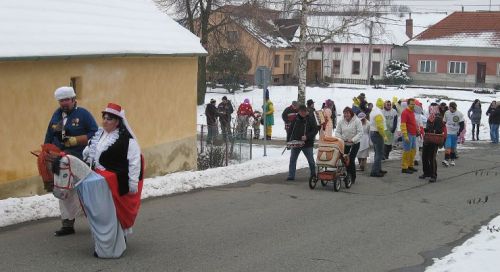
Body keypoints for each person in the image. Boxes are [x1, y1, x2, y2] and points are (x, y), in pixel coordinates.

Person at [82, 102, 142, 258]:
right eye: (104, 118)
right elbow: (91, 151)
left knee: (112, 213)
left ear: (117, 121)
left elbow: (135, 161)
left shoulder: (127, 140)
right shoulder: (99, 134)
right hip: (98, 181)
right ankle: (102, 243)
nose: (105, 121)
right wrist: (87, 151)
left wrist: (133, 182)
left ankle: (117, 242)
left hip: (116, 182)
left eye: (109, 119)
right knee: (100, 213)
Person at [44, 86, 98, 236]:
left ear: (74, 100)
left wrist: (76, 140)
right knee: (63, 190)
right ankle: (67, 224)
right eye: (61, 100)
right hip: (59, 160)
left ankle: (96, 221)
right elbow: (49, 135)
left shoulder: (83, 114)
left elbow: (95, 132)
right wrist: (46, 151)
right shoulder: (56, 115)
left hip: (79, 159)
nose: (64, 103)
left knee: (85, 191)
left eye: (67, 100)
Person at [286, 105, 318, 181]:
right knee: (293, 159)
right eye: (301, 111)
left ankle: (313, 175)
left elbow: (315, 130)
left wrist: (307, 136)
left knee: (310, 160)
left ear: (306, 111)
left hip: (307, 144)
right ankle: (291, 175)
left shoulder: (310, 119)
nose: (303, 113)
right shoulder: (295, 119)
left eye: (304, 111)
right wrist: (288, 141)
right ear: (299, 111)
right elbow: (290, 130)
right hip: (296, 142)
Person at [335, 107, 363, 183]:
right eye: (345, 113)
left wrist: (353, 139)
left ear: (351, 113)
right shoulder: (341, 121)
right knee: (344, 160)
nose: (346, 115)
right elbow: (337, 132)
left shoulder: (357, 121)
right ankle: (347, 175)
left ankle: (352, 177)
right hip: (344, 143)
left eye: (347, 113)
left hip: (354, 143)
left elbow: (360, 132)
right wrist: (342, 138)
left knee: (351, 159)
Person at [420, 105, 446, 183]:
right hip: (427, 139)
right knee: (424, 157)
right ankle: (426, 172)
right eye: (431, 109)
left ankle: (433, 175)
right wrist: (425, 129)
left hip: (434, 141)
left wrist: (431, 131)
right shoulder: (429, 117)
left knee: (431, 158)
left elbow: (439, 130)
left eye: (433, 109)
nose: (432, 110)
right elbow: (428, 128)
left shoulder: (438, 118)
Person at [368, 98, 387, 177]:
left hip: (373, 132)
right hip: (377, 133)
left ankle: (378, 169)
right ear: (382, 104)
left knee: (377, 152)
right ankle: (375, 171)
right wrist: (384, 135)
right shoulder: (378, 113)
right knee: (379, 153)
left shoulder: (373, 111)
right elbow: (379, 126)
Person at [442, 102, 465, 167]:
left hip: (455, 132)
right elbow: (444, 122)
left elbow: (462, 125)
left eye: (451, 108)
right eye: (449, 107)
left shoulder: (459, 114)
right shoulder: (447, 113)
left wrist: (459, 131)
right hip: (448, 132)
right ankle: (446, 160)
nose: (450, 109)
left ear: (454, 108)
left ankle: (452, 160)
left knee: (453, 147)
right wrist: (443, 129)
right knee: (448, 146)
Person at [401, 98, 418, 174]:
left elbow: (413, 122)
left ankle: (410, 165)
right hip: (408, 134)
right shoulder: (405, 112)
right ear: (408, 104)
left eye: (414, 104)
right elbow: (403, 125)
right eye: (411, 104)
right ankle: (404, 167)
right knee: (407, 151)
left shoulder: (412, 112)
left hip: (413, 134)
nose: (413, 105)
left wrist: (417, 129)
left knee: (413, 151)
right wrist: (405, 136)